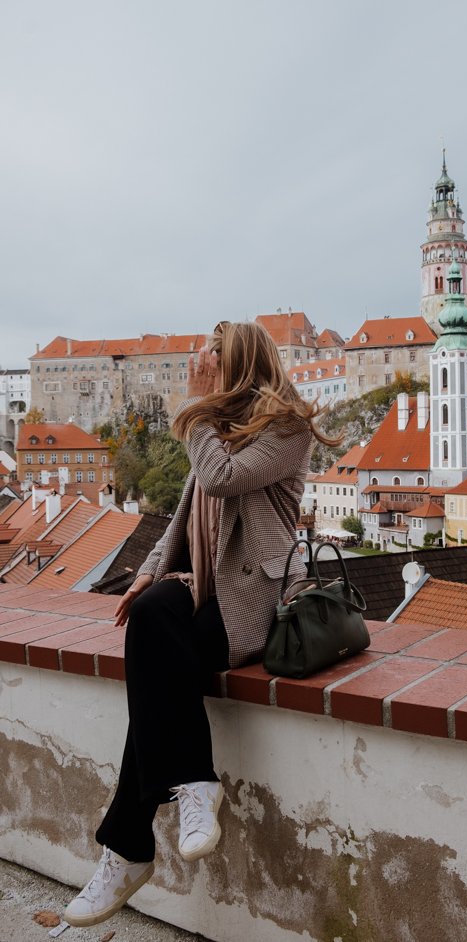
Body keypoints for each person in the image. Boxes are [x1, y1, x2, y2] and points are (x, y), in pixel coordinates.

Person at [64, 321, 339, 928]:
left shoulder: (284, 428)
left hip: (254, 602)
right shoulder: (218, 427)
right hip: (204, 589)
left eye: (211, 353)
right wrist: (151, 569)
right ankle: (189, 786)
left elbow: (220, 478)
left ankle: (127, 847)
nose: (199, 360)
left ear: (237, 362)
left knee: (158, 668)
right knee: (150, 616)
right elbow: (186, 509)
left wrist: (193, 408)